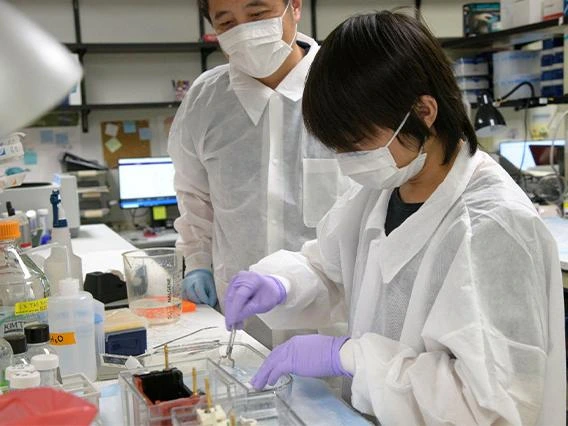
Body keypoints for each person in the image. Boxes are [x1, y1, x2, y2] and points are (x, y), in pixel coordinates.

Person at [223, 11, 566, 424]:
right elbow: (330, 266)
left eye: (358, 142)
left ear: (423, 110)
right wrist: (281, 283)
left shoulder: (493, 227)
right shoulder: (381, 188)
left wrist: (350, 358)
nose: (349, 161)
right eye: (338, 147)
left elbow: (493, 406)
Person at [168, 0, 347, 320]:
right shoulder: (205, 99)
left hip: (334, 318)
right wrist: (197, 263)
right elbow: (193, 194)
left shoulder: (348, 87)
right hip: (241, 318)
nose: (245, 31)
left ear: (294, 7)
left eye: (257, 14)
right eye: (226, 23)